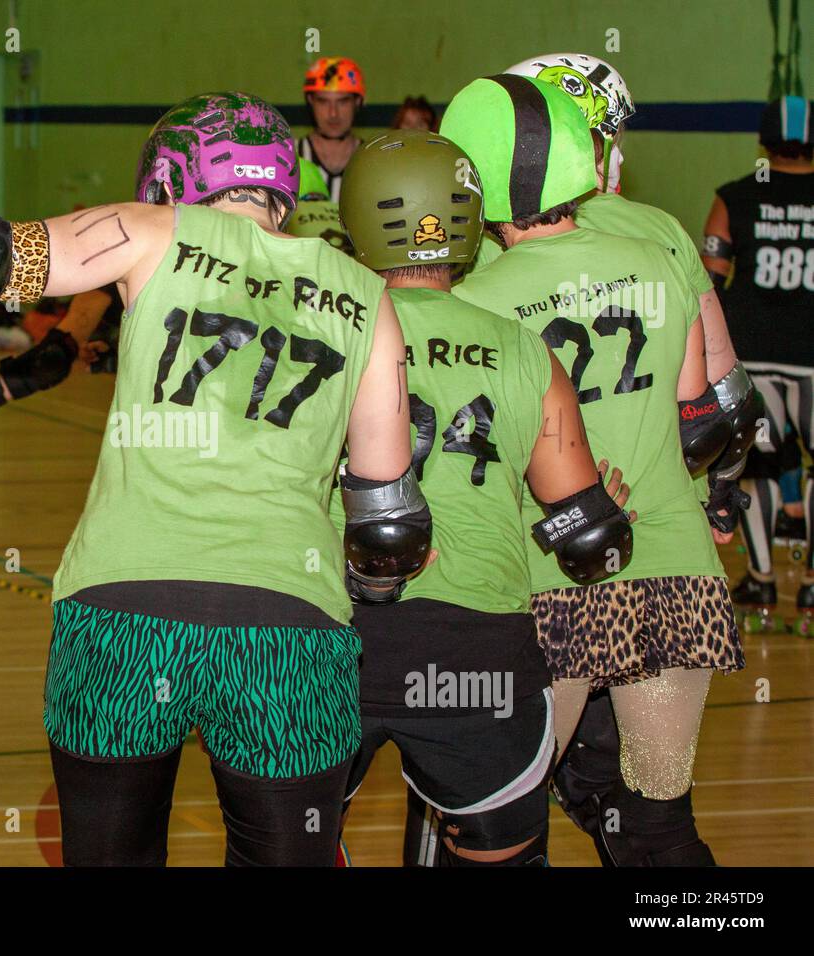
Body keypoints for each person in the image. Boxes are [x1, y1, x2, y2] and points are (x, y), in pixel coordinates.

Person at [0, 0, 427, 866]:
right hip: (288, 622)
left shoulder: (154, 232)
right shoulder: (367, 294)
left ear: (177, 176)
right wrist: (356, 604)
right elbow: (388, 525)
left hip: (124, 607)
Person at [466, 53, 762, 864]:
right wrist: (720, 496)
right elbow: (721, 411)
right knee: (658, 817)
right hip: (671, 566)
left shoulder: (480, 263)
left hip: (544, 571)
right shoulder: (660, 234)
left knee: (495, 815)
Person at [332, 130, 632, 866]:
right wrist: (597, 505)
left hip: (331, 639)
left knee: (278, 846)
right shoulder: (526, 349)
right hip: (474, 654)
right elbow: (586, 537)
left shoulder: (326, 332)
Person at [703, 95, 814, 612]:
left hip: (756, 352)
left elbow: (711, 280)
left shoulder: (737, 196)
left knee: (760, 466)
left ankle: (763, 579)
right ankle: (811, 581)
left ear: (764, 142)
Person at [298, 56, 366, 202]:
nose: (333, 113)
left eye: (343, 102)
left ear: (358, 102)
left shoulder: (372, 159)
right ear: (310, 101)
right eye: (323, 102)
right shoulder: (290, 157)